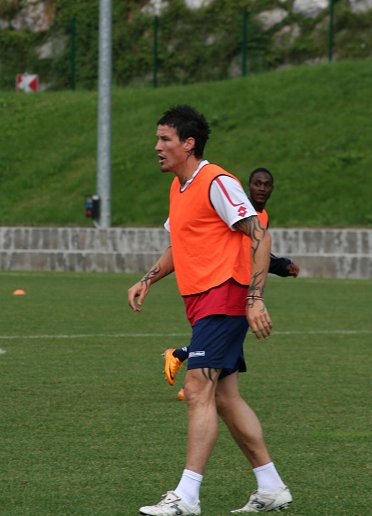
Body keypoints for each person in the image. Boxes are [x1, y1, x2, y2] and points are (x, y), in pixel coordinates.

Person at [128, 105, 292, 514]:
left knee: (198, 386)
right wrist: (148, 279)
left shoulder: (216, 181)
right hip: (201, 301)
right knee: (225, 397)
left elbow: (259, 235)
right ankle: (271, 487)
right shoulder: (178, 188)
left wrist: (254, 298)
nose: (157, 147)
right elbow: (177, 246)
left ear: (189, 143)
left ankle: (186, 496)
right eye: (158, 139)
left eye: (165, 139)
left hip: (225, 295)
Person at [164, 167, 300, 392]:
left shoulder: (262, 217)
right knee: (223, 343)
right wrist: (281, 265)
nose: (262, 188)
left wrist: (280, 265)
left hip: (243, 286)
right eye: (258, 183)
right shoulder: (237, 210)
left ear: (272, 189)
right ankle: (193, 382)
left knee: (227, 345)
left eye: (267, 185)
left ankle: (186, 366)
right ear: (249, 186)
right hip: (223, 283)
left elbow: (252, 250)